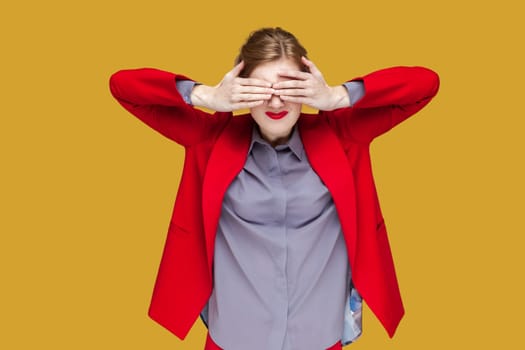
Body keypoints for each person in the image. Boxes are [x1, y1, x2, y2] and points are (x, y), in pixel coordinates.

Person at [109, 27, 440, 350]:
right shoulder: (209, 139)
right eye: (260, 88)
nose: (276, 101)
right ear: (241, 89)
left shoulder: (342, 136)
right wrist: (206, 95)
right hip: (233, 338)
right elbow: (123, 87)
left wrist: (338, 95)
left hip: (319, 337)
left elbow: (425, 84)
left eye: (290, 87)